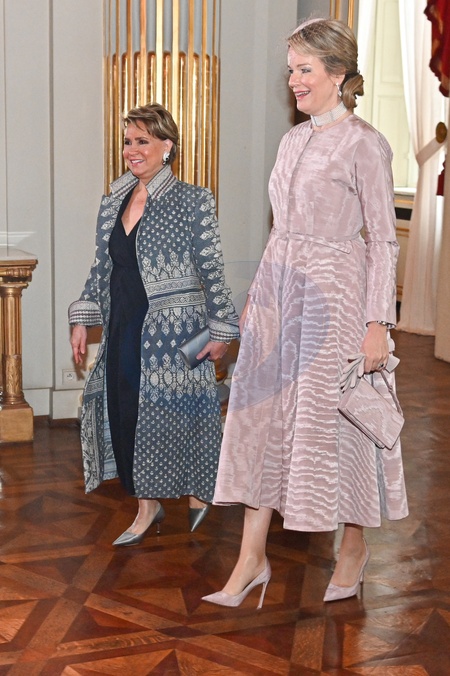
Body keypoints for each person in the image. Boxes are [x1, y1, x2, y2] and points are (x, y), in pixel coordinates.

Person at [202, 18, 408, 608]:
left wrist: (378, 323)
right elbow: (280, 232)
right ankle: (251, 558)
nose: (293, 80)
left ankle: (354, 547)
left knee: (340, 423)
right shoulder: (292, 141)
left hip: (338, 300)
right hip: (281, 296)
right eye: (290, 69)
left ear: (337, 74)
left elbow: (382, 239)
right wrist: (257, 300)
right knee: (261, 420)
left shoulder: (365, 143)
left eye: (304, 69)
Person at [69, 102, 239, 545]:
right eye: (127, 141)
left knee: (180, 417)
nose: (132, 150)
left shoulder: (192, 200)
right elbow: (101, 267)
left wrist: (221, 330)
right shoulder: (114, 201)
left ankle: (198, 491)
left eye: (142, 141)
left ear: (167, 146)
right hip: (123, 327)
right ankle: (147, 506)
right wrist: (83, 319)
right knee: (126, 415)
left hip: (175, 332)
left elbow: (213, 270)